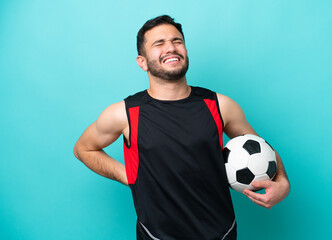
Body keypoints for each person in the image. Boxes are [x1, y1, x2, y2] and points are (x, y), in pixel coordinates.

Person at [74, 15, 290, 240]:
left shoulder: (220, 106)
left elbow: (261, 149)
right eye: (159, 44)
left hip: (221, 233)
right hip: (156, 236)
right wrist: (127, 175)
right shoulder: (125, 114)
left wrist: (282, 182)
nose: (170, 48)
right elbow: (83, 149)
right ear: (142, 62)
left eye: (177, 41)